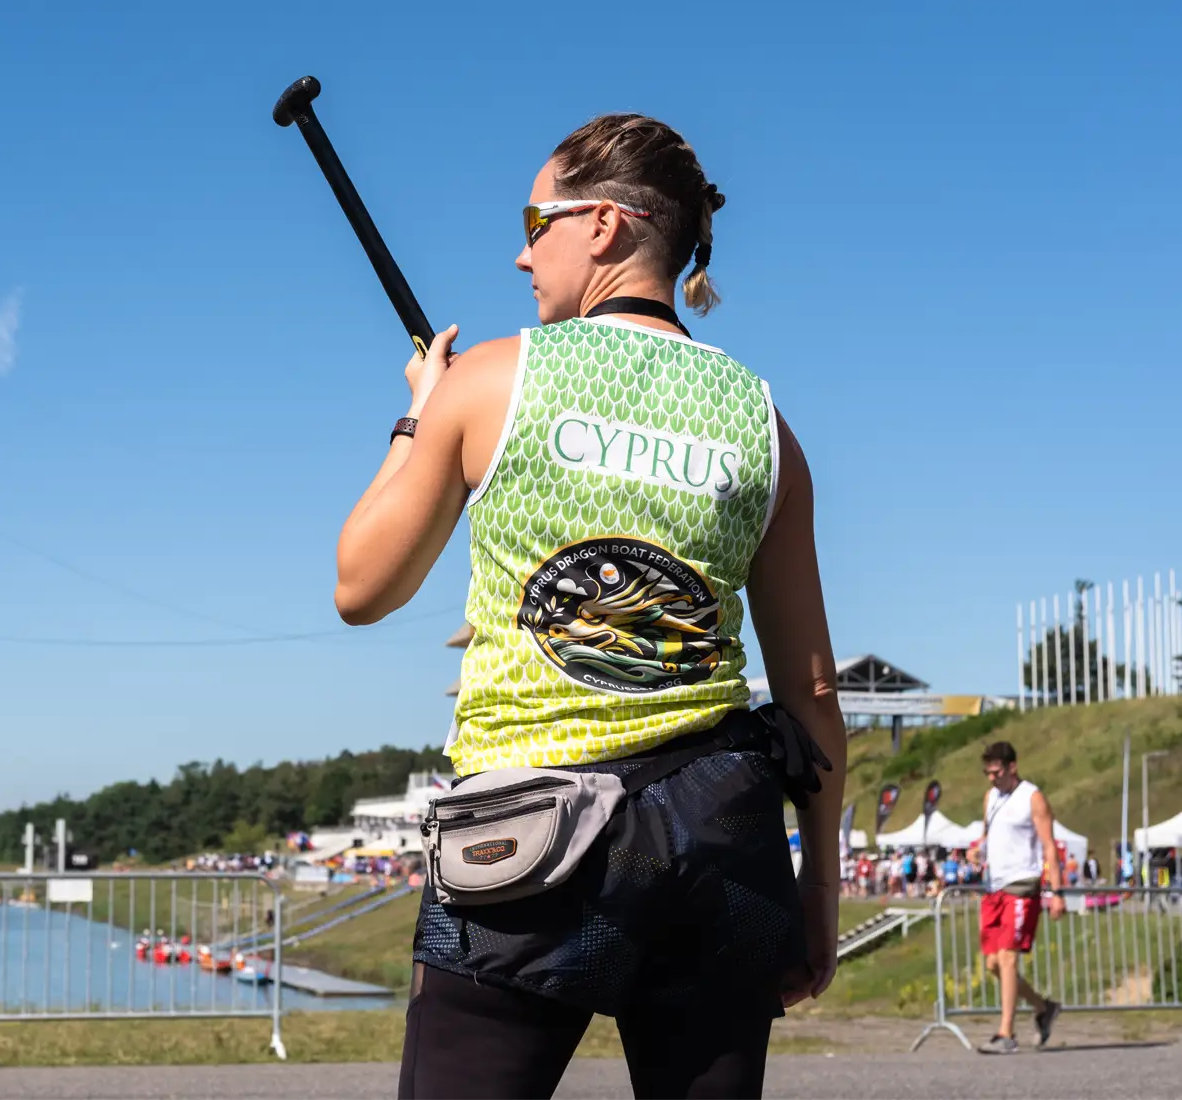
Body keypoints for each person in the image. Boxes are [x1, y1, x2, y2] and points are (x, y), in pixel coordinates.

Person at [334, 112, 847, 1100]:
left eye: (537, 220)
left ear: (605, 224)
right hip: (718, 847)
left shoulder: (492, 379)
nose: (521, 252)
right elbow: (814, 690)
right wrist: (819, 896)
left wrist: (419, 411)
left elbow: (363, 585)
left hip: (526, 841)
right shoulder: (765, 422)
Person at [976, 741, 1066, 1055]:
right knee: (993, 964)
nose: (992, 778)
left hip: (1022, 884)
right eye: (987, 772)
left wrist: (1056, 892)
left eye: (996, 772)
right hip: (994, 886)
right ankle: (1044, 1007)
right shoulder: (991, 798)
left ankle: (1005, 1033)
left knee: (1008, 957)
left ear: (1012, 767)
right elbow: (989, 834)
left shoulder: (1033, 797)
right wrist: (979, 848)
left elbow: (1049, 846)